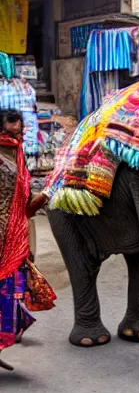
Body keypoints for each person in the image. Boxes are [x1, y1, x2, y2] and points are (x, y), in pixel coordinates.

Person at [0, 111, 56, 371]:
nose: (16, 136)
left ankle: (7, 336)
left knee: (14, 288)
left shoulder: (18, 155)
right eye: (11, 132)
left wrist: (44, 196)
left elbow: (24, 203)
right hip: (4, 235)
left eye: (19, 132)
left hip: (17, 235)